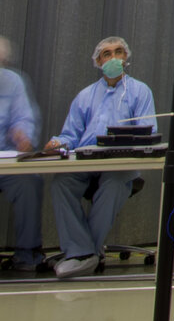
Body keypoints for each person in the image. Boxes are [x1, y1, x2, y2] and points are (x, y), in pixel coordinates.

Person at [44, 36, 157, 277]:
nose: (114, 58)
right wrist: (57, 143)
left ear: (126, 57)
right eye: (107, 54)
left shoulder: (140, 91)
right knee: (61, 182)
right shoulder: (85, 96)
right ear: (98, 61)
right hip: (86, 163)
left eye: (118, 52)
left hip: (120, 166)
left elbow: (149, 131)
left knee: (113, 183)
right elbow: (70, 135)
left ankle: (82, 255)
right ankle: (85, 252)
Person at [0, 37, 45, 273]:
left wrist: (23, 136)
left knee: (30, 181)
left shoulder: (13, 81)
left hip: (6, 160)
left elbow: (24, 117)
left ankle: (28, 254)